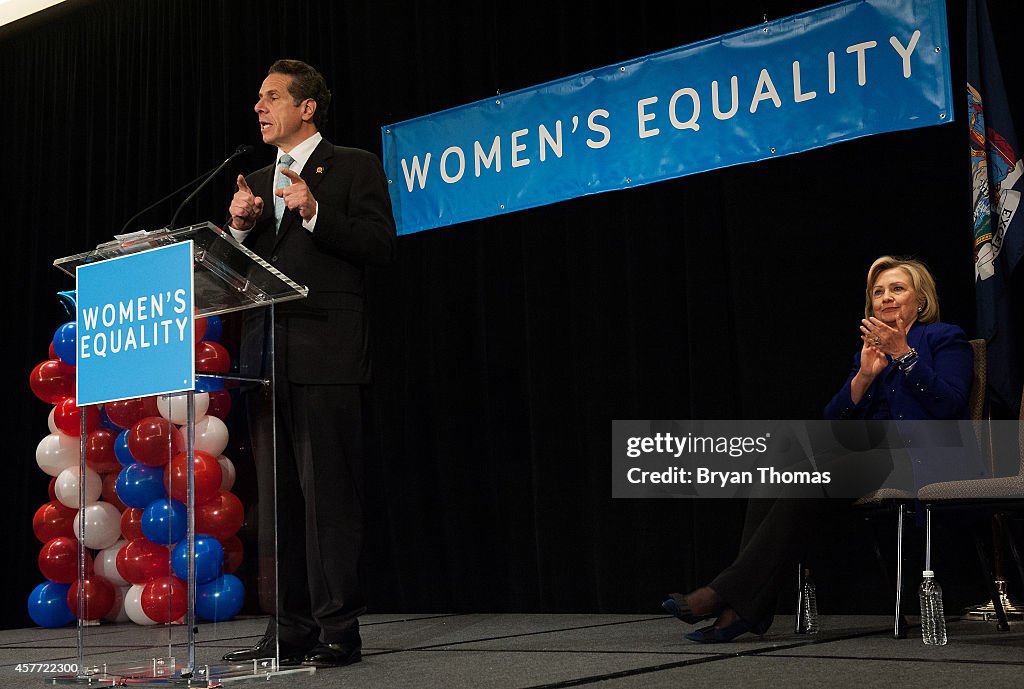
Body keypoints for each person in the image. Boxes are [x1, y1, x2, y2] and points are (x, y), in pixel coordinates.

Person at [661, 255, 983, 643]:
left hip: (927, 457)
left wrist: (904, 355)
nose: (886, 298)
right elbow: (835, 419)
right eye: (878, 292)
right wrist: (864, 375)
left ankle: (725, 600)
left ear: (921, 299)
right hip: (874, 455)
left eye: (898, 289)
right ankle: (741, 608)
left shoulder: (944, 338)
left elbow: (950, 404)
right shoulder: (869, 351)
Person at [220, 59, 396, 668]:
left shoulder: (351, 166)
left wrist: (317, 212)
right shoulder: (256, 181)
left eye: (271, 98)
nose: (259, 108)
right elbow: (241, 276)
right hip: (265, 359)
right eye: (258, 99)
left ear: (308, 106)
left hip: (327, 354)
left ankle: (337, 628)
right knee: (276, 504)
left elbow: (379, 244)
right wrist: (239, 232)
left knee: (328, 499)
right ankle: (287, 628)